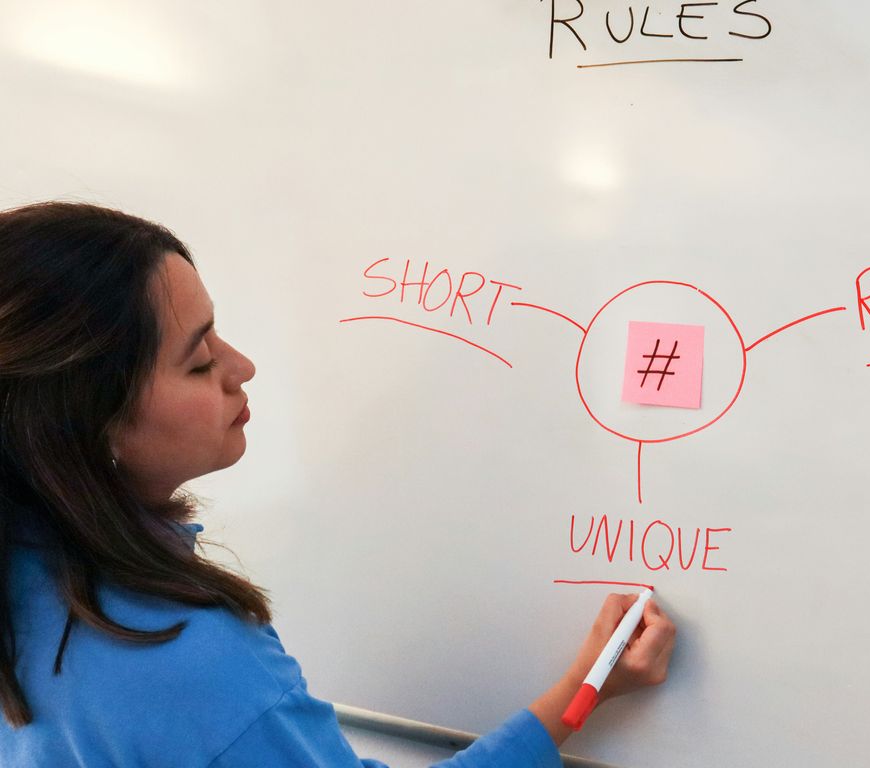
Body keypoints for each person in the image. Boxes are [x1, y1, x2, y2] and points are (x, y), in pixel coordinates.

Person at [0, 201, 675, 766]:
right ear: (89, 423)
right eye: (201, 360)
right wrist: (579, 698)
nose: (242, 365)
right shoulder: (177, 656)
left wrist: (577, 697)